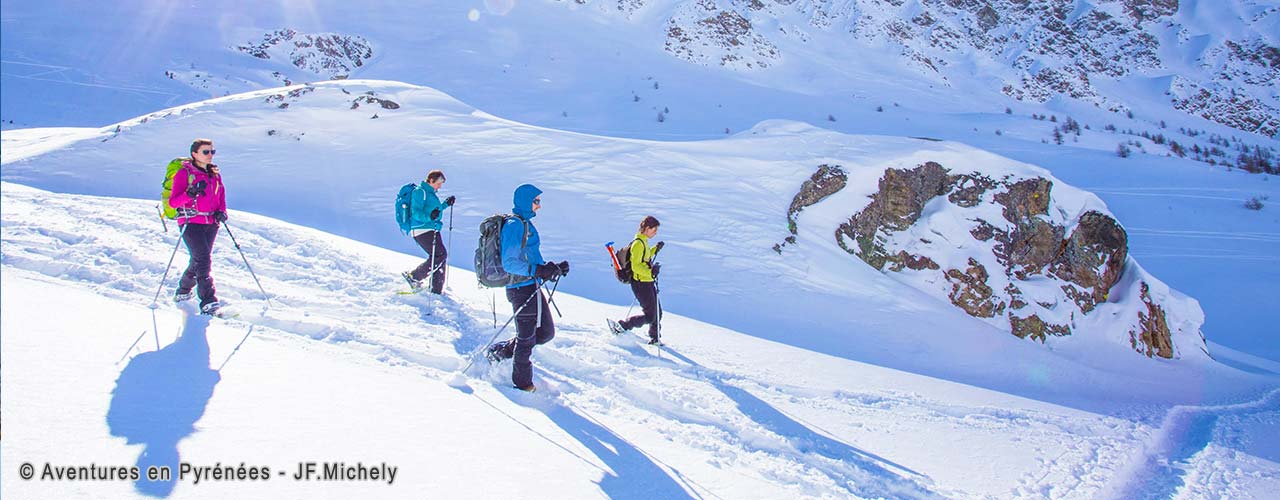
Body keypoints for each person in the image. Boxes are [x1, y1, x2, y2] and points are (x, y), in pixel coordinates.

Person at [486, 184, 570, 392]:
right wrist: (537, 270)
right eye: (536, 201)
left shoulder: (525, 224)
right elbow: (509, 262)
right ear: (526, 201)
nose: (539, 206)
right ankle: (522, 385)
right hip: (520, 288)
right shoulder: (515, 225)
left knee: (545, 333)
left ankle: (502, 352)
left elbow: (531, 258)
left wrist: (552, 269)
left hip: (531, 285)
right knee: (526, 338)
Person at [168, 138, 228, 315]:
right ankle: (208, 301)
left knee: (198, 259)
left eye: (212, 152)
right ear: (194, 154)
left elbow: (221, 196)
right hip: (191, 222)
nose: (210, 155)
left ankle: (183, 291)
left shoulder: (214, 174)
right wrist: (190, 193)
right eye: (206, 152)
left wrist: (221, 212)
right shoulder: (184, 174)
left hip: (211, 223)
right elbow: (173, 202)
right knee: (203, 260)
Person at [608, 216, 665, 344]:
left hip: (647, 281)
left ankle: (655, 337)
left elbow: (645, 257)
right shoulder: (638, 244)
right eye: (654, 229)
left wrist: (655, 248)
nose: (655, 232)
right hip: (640, 284)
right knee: (650, 316)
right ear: (646, 228)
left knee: (657, 312)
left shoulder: (643, 241)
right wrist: (651, 271)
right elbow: (636, 266)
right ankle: (623, 326)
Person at [401, 169, 455, 294]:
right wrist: (429, 217)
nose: (440, 186)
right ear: (431, 180)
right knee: (439, 255)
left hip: (431, 228)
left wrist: (446, 204)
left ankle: (436, 290)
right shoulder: (420, 192)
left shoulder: (430, 193)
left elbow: (434, 211)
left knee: (440, 256)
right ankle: (414, 277)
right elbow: (416, 212)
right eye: (439, 182)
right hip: (422, 229)